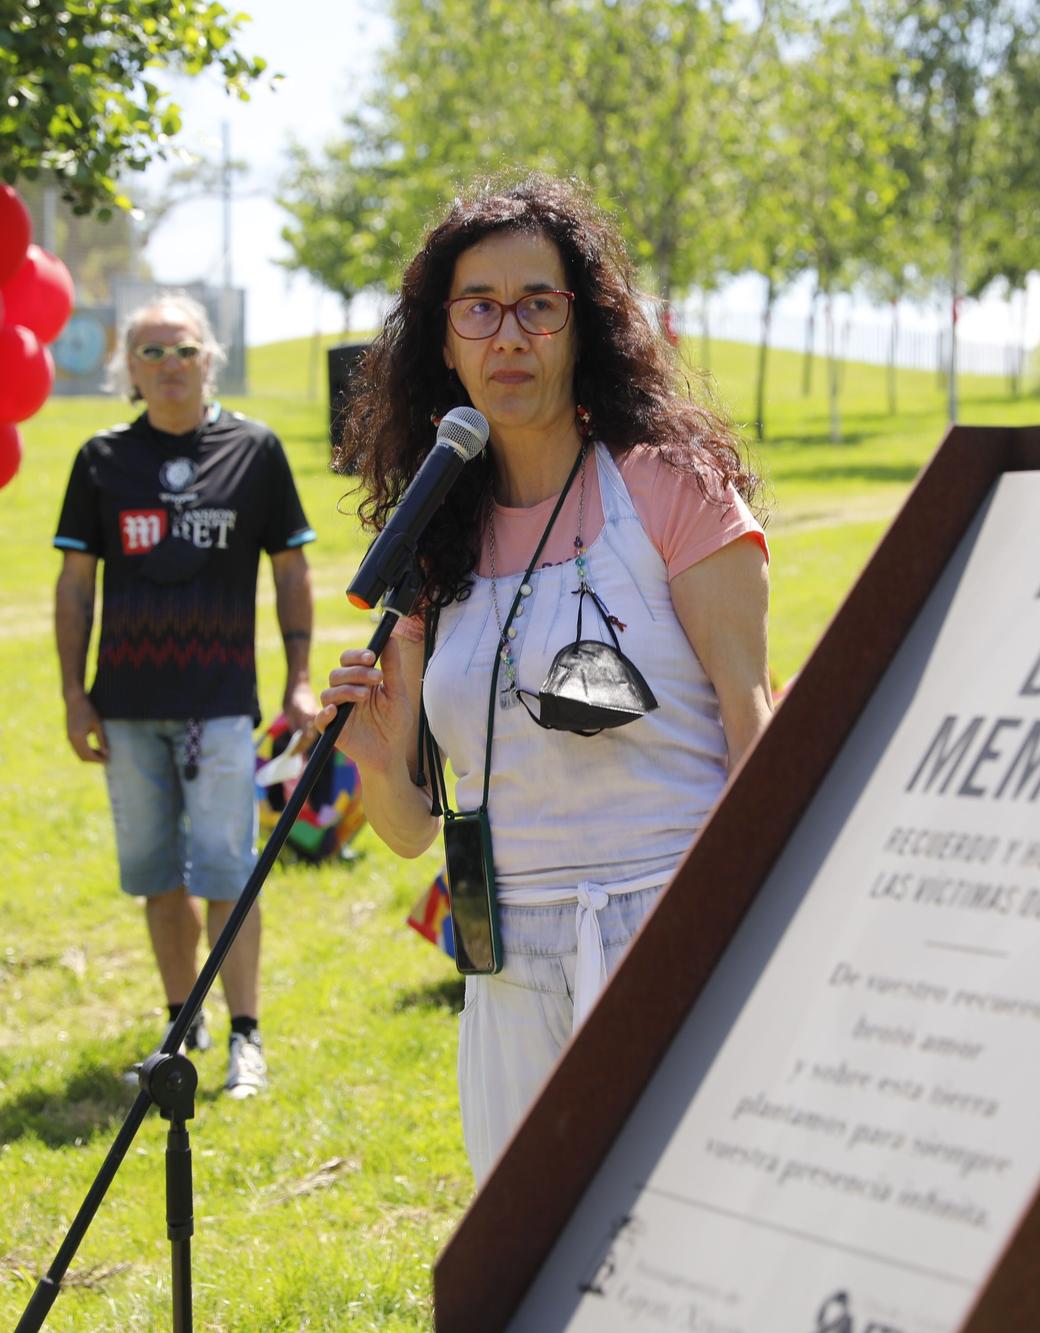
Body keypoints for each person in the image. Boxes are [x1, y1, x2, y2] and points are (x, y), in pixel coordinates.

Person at [317, 175, 771, 1179]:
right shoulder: (431, 545)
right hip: (504, 962)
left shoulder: (668, 489)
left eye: (537, 304)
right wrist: (375, 758)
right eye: (477, 308)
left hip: (670, 927)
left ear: (583, 326)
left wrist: (743, 931)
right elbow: (410, 830)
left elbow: (753, 723)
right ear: (443, 341)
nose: (506, 335)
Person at [53, 292, 318, 1100]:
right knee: (158, 874)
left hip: (219, 705)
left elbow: (292, 569)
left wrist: (299, 676)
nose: (170, 366)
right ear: (126, 370)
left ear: (212, 358)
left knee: (227, 871)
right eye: (152, 353)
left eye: (185, 350)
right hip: (127, 707)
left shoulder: (255, 450)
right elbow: (74, 586)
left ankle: (247, 1039)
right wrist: (73, 692)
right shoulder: (100, 460)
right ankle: (181, 1027)